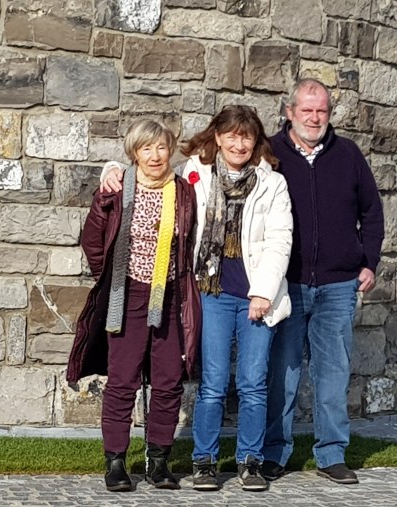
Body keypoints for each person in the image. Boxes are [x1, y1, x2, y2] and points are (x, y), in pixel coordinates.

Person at [100, 106, 294, 492]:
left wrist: (263, 292)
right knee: (212, 383)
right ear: (218, 138)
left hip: (255, 295)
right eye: (232, 136)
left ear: (255, 142)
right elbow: (143, 168)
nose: (239, 143)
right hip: (209, 293)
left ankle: (248, 460)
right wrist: (109, 168)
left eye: (247, 137)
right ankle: (200, 460)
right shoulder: (197, 174)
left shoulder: (272, 184)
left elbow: (279, 240)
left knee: (252, 383)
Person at [66, 119, 201, 492]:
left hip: (171, 294)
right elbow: (92, 238)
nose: (155, 156)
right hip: (128, 296)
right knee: (122, 381)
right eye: (146, 149)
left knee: (169, 381)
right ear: (134, 153)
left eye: (161, 148)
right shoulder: (117, 187)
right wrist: (109, 278)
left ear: (170, 149)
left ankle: (158, 461)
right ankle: (115, 463)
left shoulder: (184, 191)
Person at [261, 78, 384, 485]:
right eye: (307, 110)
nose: (315, 118)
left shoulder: (348, 155)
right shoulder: (270, 154)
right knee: (283, 372)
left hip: (337, 285)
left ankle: (331, 454)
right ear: (289, 111)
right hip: (287, 284)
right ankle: (275, 452)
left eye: (322, 111)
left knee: (333, 372)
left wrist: (369, 262)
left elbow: (372, 212)